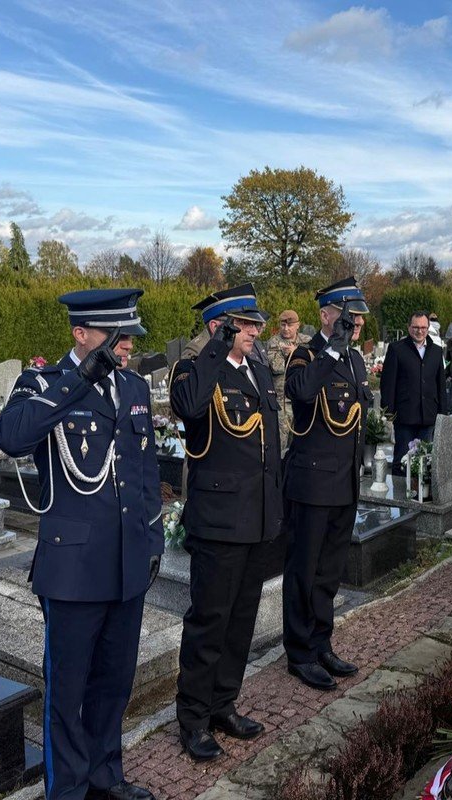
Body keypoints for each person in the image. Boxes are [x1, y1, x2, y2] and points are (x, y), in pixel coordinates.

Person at [0, 289, 162, 800]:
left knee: (114, 684)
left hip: (127, 564)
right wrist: (79, 379)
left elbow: (145, 468)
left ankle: (105, 776)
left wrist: (152, 535)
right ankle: (66, 791)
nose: (126, 345)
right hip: (72, 569)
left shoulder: (132, 387)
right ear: (81, 333)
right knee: (66, 694)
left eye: (129, 335)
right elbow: (11, 436)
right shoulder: (41, 384)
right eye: (117, 335)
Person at [170, 284, 283, 762]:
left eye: (258, 323)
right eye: (248, 323)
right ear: (222, 325)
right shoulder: (194, 369)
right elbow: (190, 409)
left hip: (257, 518)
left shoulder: (257, 368)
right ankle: (193, 717)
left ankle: (223, 704)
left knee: (240, 621)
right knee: (209, 622)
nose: (257, 331)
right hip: (219, 521)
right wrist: (217, 345)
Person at [282, 276, 372, 691]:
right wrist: (332, 346)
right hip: (312, 482)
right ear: (325, 315)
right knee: (304, 569)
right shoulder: (306, 354)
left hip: (344, 482)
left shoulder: (354, 360)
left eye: (357, 319)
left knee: (329, 572)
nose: (354, 324)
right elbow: (299, 393)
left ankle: (321, 642)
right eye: (346, 317)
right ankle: (299, 652)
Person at [380, 310, 446, 475]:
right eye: (416, 327)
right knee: (402, 460)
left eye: (423, 327)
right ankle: (399, 498)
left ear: (428, 327)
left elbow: (441, 384)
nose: (420, 331)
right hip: (405, 416)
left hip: (428, 415)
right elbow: (388, 383)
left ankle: (420, 496)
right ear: (409, 328)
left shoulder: (437, 351)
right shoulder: (397, 349)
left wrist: (443, 414)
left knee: (425, 461)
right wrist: (389, 413)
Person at [265, 309, 311, 446]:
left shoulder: (307, 341)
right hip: (282, 402)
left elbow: (313, 366)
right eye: (283, 325)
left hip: (302, 400)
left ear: (298, 325)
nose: (286, 329)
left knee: (301, 443)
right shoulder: (273, 342)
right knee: (279, 443)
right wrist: (296, 355)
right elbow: (276, 366)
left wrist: (295, 352)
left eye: (290, 325)